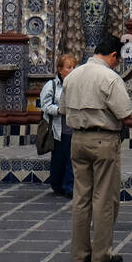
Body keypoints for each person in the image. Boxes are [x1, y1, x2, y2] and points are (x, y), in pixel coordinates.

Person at [63, 33, 132, 262]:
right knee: (104, 199)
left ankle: (79, 253)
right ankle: (101, 254)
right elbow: (125, 113)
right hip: (103, 141)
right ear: (113, 55)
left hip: (77, 140)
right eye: (118, 59)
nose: (117, 64)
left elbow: (63, 108)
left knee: (81, 198)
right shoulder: (110, 78)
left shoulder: (72, 76)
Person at [39, 52, 78, 198]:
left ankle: (70, 187)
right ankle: (57, 184)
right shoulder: (52, 86)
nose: (72, 70)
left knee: (71, 159)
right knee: (59, 159)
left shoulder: (77, 86)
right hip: (58, 129)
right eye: (69, 67)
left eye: (74, 67)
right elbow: (45, 106)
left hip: (73, 129)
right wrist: (60, 110)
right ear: (60, 69)